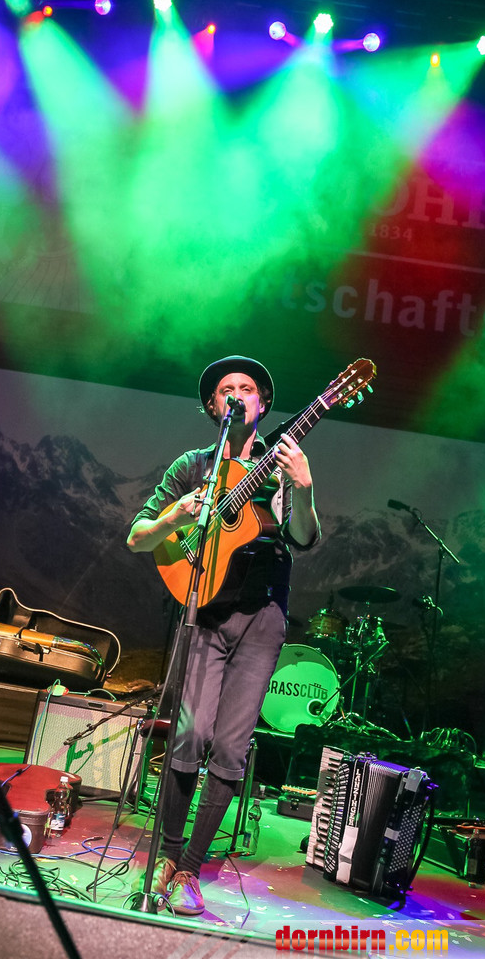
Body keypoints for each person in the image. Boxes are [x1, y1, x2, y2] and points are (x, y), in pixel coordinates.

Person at [126, 355, 320, 916]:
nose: (237, 394)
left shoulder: (279, 464)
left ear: (263, 403)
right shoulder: (192, 466)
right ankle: (166, 856)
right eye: (225, 389)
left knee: (231, 747)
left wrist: (304, 488)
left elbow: (304, 538)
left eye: (248, 388)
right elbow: (138, 537)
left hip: (262, 617)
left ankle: (190, 869)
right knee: (189, 733)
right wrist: (176, 518)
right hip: (204, 611)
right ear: (213, 406)